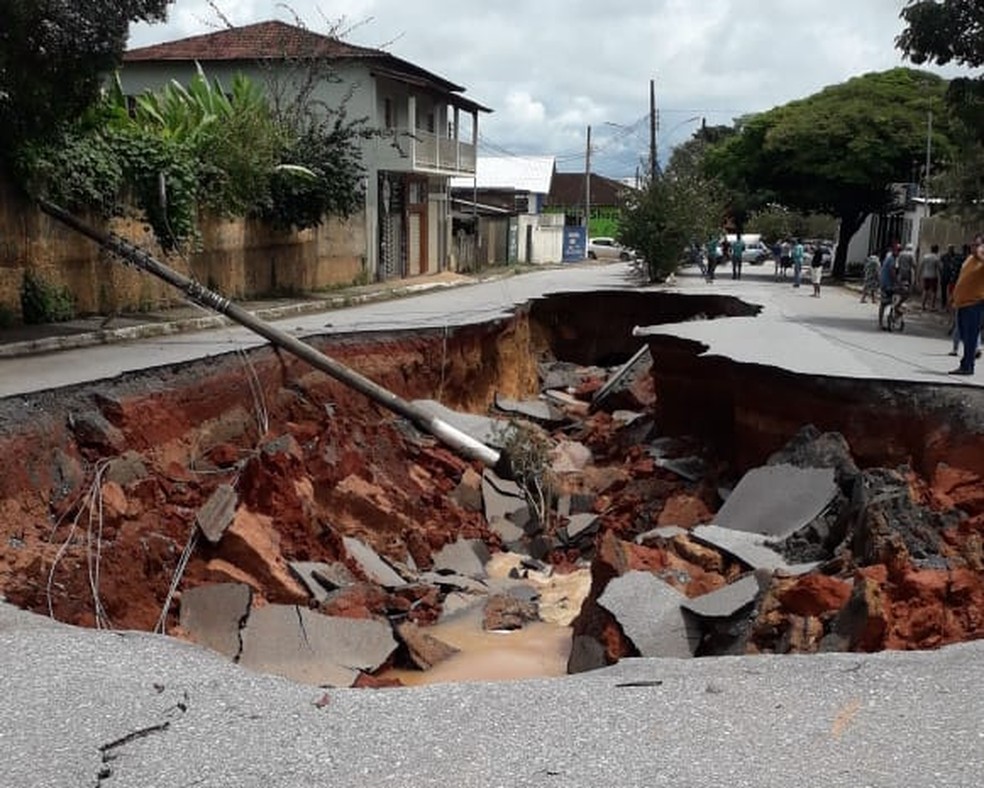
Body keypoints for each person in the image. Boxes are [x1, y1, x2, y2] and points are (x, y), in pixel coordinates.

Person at [949, 239, 984, 376]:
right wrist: (953, 296)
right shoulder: (969, 259)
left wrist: (980, 255)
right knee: (963, 334)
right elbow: (962, 278)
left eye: (977, 244)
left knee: (970, 336)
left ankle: (968, 366)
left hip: (974, 303)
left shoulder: (981, 261)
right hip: (962, 303)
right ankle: (966, 362)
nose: (973, 247)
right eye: (973, 244)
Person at [878, 243, 899, 330]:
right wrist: (897, 282)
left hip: (885, 283)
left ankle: (884, 321)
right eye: (898, 251)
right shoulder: (891, 259)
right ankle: (887, 320)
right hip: (887, 284)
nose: (899, 253)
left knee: (886, 303)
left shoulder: (889, 258)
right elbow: (892, 272)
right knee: (888, 302)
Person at [920, 244, 941, 311]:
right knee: (933, 291)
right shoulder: (936, 258)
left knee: (925, 290)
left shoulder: (925, 256)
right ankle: (932, 306)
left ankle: (923, 305)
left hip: (925, 275)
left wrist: (919, 274)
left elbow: (921, 266)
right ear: (936, 250)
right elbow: (939, 268)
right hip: (933, 276)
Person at [940, 244, 961, 310]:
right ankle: (944, 303)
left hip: (952, 275)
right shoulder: (944, 256)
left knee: (951, 291)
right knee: (943, 290)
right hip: (945, 274)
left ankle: (949, 305)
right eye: (950, 248)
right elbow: (941, 264)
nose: (951, 250)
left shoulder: (956, 256)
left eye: (952, 248)